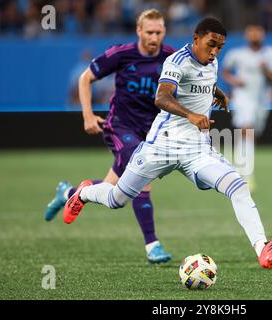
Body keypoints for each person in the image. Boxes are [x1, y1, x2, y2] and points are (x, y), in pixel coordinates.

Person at [63, 17, 272, 270]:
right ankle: (83, 193)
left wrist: (217, 92)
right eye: (211, 45)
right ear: (196, 38)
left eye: (220, 46)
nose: (215, 51)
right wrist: (191, 115)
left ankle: (263, 249)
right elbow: (161, 98)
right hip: (160, 147)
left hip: (196, 151)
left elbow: (204, 80)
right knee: (116, 199)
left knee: (238, 186)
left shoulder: (212, 61)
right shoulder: (177, 61)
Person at [44, 9, 174, 264]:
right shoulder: (121, 54)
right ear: (139, 31)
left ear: (164, 31)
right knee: (143, 173)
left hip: (150, 133)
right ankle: (153, 246)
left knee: (116, 192)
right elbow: (85, 78)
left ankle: (69, 192)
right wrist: (88, 115)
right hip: (120, 126)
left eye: (158, 32)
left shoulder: (171, 57)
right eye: (149, 32)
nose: (154, 37)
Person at [221, 24, 272, 191]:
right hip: (243, 97)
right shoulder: (237, 54)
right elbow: (225, 72)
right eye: (252, 33)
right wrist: (235, 81)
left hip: (262, 99)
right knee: (246, 128)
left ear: (262, 35)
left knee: (252, 134)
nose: (255, 36)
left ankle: (239, 167)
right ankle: (247, 175)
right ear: (247, 36)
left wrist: (265, 70)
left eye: (258, 33)